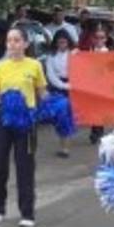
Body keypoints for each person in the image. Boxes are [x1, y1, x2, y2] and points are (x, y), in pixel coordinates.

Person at [0, 25, 46, 227]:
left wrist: (55, 106)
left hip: (27, 122)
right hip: (5, 120)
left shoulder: (34, 65)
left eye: (17, 40)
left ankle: (27, 213)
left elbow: (42, 93)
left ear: (26, 44)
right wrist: (2, 100)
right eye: (9, 40)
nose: (12, 44)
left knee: (25, 167)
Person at [43, 28, 75, 157]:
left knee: (67, 118)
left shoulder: (74, 54)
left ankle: (65, 148)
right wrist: (63, 85)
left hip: (73, 87)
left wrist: (71, 85)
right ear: (56, 42)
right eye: (59, 42)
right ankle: (63, 144)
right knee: (59, 117)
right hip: (57, 89)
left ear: (68, 42)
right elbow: (51, 75)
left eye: (64, 42)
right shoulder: (50, 57)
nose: (62, 45)